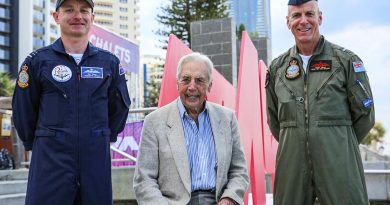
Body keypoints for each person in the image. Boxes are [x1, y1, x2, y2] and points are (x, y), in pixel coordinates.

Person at [12, 0, 131, 204]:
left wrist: (99, 137)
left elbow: (119, 108)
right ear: (56, 17)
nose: (78, 16)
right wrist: (39, 143)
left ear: (92, 18)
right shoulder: (37, 62)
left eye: (84, 10)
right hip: (50, 164)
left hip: (95, 164)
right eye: (69, 10)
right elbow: (23, 111)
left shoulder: (109, 63)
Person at [266, 0, 375, 204]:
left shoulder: (345, 62)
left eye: (309, 14)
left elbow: (365, 116)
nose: (303, 21)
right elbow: (274, 122)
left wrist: (336, 142)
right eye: (296, 15)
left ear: (320, 17)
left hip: (339, 164)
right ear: (288, 21)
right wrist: (299, 140)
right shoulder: (277, 69)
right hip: (292, 167)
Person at [133, 52, 249, 205]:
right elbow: (144, 181)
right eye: (186, 80)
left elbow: (239, 171)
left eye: (199, 80)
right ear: (177, 83)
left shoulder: (227, 119)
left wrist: (229, 199)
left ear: (210, 85)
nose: (192, 87)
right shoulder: (154, 122)